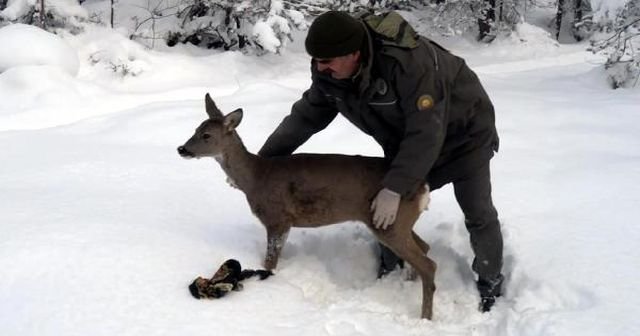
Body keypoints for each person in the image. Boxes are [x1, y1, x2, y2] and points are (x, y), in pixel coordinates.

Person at [258, 10, 504, 312]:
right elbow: (306, 116)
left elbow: (427, 132)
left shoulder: (410, 65)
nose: (320, 68)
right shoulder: (330, 71)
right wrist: (261, 163)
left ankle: (490, 278)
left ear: (354, 54)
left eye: (327, 61)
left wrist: (396, 186)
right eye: (317, 61)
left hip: (465, 137)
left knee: (477, 210)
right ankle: (393, 265)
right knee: (378, 205)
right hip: (406, 143)